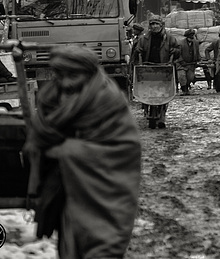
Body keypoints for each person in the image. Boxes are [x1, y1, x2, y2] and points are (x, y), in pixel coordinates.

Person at [24, 46, 141, 259]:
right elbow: (40, 137)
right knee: (70, 245)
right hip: (66, 191)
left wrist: (67, 150)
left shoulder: (108, 101)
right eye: (60, 75)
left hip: (105, 194)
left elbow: (124, 149)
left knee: (104, 245)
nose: (66, 82)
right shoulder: (51, 97)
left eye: (73, 75)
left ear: (89, 74)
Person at [134, 14, 180, 128]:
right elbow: (138, 50)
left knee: (165, 93)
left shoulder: (169, 38)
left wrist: (174, 52)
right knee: (147, 91)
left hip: (163, 68)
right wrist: (138, 56)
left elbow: (178, 49)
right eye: (152, 24)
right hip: (147, 68)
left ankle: (162, 116)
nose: (154, 26)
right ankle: (146, 107)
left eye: (157, 24)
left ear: (162, 25)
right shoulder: (144, 38)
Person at [176, 29, 200, 95]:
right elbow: (178, 54)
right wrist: (181, 61)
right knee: (182, 77)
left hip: (191, 64)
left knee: (190, 77)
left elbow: (197, 52)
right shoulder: (180, 43)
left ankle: (187, 87)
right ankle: (184, 90)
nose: (192, 39)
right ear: (187, 37)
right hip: (181, 64)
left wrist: (198, 59)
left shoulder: (196, 43)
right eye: (190, 37)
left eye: (192, 37)